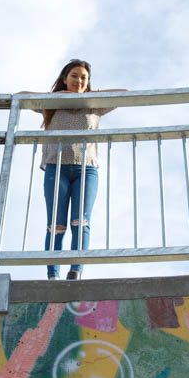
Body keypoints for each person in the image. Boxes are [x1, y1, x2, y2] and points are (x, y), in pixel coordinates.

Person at [35, 59, 125, 280]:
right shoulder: (51, 103)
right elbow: (20, 95)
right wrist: (58, 96)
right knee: (56, 223)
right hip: (57, 168)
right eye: (74, 76)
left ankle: (76, 270)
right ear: (65, 78)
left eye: (84, 77)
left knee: (81, 221)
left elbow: (125, 93)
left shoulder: (95, 104)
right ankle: (52, 274)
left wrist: (87, 96)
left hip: (87, 169)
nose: (79, 80)